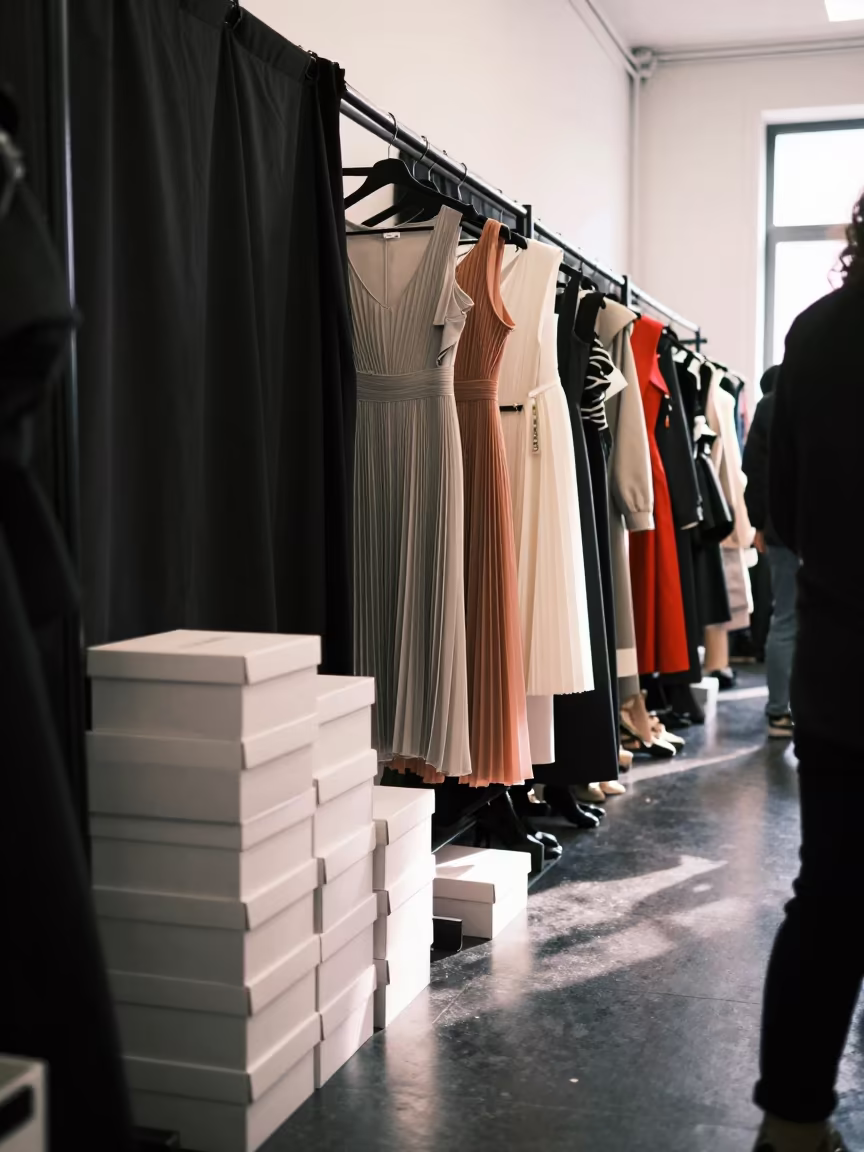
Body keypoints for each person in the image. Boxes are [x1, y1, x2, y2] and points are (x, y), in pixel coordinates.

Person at [752, 191, 864, 1152]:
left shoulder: (817, 335)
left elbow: (780, 507)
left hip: (844, 664)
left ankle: (791, 1122)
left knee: (829, 896)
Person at [742, 365, 798, 739]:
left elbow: (754, 471)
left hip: (781, 526)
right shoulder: (825, 395)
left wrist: (759, 523)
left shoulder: (769, 405)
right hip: (827, 525)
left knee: (785, 616)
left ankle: (779, 711)